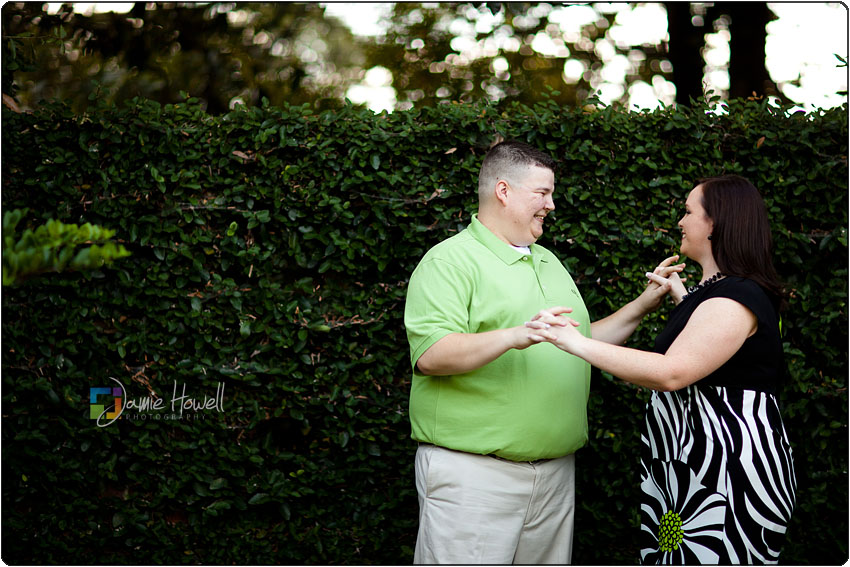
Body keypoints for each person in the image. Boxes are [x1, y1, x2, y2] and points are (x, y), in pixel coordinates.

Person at [403, 140, 682, 564]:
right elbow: (432, 355)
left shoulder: (549, 261)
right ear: (503, 191)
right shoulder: (449, 262)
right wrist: (516, 335)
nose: (551, 205)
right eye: (542, 193)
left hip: (555, 476)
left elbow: (581, 344)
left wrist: (643, 304)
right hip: (474, 478)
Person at [527, 174, 797, 564]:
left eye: (688, 212)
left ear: (715, 223)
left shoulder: (737, 296)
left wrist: (573, 341)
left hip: (726, 476)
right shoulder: (717, 292)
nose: (681, 222)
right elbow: (714, 352)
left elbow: (673, 372)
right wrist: (682, 300)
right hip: (693, 469)